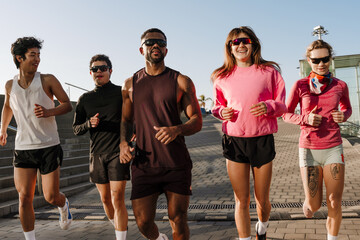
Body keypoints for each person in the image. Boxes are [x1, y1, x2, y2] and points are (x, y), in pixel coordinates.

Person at [119, 28, 202, 240]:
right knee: (143, 221)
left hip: (176, 162)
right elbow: (126, 120)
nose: (155, 45)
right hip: (144, 163)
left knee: (178, 218)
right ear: (141, 49)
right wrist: (122, 143)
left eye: (160, 42)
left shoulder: (181, 81)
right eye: (150, 42)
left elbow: (197, 122)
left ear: (166, 49)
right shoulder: (130, 85)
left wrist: (177, 129)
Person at [211, 26, 287, 240]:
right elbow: (217, 106)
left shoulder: (270, 72)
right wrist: (221, 112)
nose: (241, 45)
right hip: (234, 141)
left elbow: (282, 105)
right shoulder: (221, 76)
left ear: (253, 44)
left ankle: (261, 228)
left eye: (245, 41)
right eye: (236, 42)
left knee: (262, 199)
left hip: (262, 140)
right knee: (241, 200)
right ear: (230, 48)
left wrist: (269, 106)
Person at [0, 37, 73, 240]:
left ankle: (63, 203)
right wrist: (3, 129)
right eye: (33, 55)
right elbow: (7, 106)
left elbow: (67, 104)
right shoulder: (9, 85)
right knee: (24, 198)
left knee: (51, 196)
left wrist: (49, 112)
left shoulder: (47, 79)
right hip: (23, 147)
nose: (37, 59)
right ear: (19, 58)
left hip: (49, 145)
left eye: (38, 55)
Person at [282, 40, 352, 240]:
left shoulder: (340, 85)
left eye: (325, 59)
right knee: (315, 205)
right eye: (316, 60)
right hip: (309, 149)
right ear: (309, 61)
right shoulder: (301, 85)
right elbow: (285, 114)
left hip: (333, 147)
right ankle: (308, 203)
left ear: (330, 59)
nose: (321, 64)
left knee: (334, 201)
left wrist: (343, 116)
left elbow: (347, 108)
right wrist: (305, 118)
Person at [72, 54, 130, 240]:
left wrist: (130, 139)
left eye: (103, 68)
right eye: (95, 69)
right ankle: (118, 228)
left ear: (110, 71)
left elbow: (132, 118)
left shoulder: (121, 93)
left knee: (117, 196)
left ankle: (120, 237)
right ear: (90, 73)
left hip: (117, 152)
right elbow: (76, 129)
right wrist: (89, 124)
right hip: (96, 154)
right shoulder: (84, 99)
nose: (99, 72)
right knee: (105, 199)